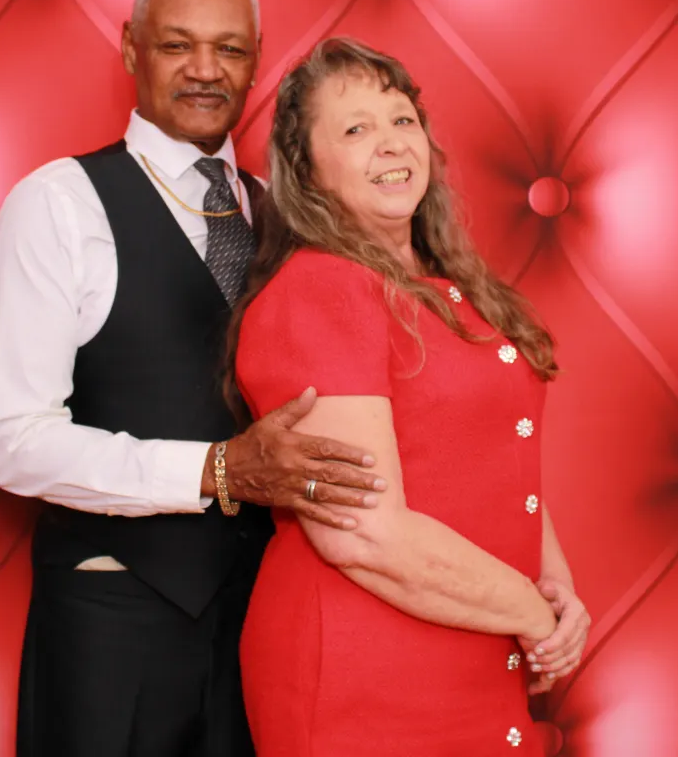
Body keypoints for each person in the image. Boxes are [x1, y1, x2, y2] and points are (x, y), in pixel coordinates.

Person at [0, 0, 389, 757]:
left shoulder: (289, 217)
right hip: (113, 628)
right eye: (177, 45)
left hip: (265, 625)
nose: (206, 70)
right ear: (130, 47)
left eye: (229, 49)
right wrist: (217, 470)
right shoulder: (58, 203)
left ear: (257, 58)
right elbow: (13, 442)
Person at [227, 36, 593, 755]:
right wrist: (529, 610)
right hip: (366, 674)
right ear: (307, 168)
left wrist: (556, 588)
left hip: (473, 643)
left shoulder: (452, 290)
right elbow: (364, 534)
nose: (392, 142)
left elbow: (496, 457)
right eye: (355, 129)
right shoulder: (322, 291)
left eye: (402, 119)